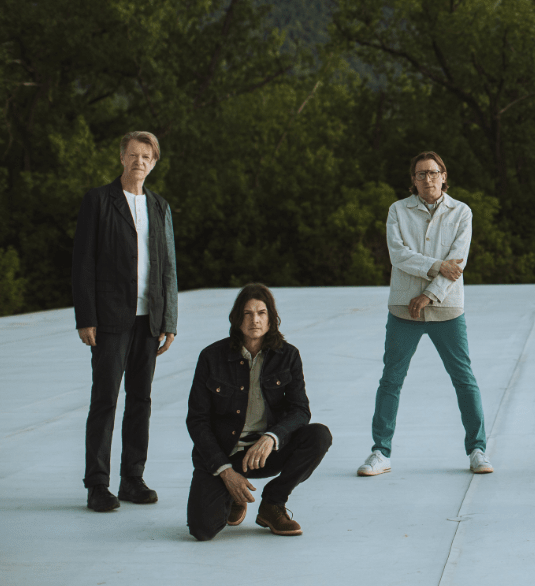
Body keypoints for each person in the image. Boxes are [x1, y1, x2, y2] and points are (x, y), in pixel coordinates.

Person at [357, 151, 492, 477]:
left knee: (464, 379)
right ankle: (380, 452)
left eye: (433, 173)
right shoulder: (398, 210)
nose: (427, 179)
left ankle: (478, 450)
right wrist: (434, 266)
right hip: (404, 307)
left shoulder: (461, 212)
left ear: (444, 176)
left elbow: (457, 261)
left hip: (446, 307)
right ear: (412, 180)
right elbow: (398, 254)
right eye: (421, 174)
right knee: (391, 379)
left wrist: (429, 295)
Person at [72, 131, 177, 512]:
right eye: (133, 155)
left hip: (148, 320)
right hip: (110, 319)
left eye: (146, 156)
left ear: (154, 162)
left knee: (141, 401)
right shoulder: (99, 202)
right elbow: (83, 262)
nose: (139, 162)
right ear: (121, 157)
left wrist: (169, 319)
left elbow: (168, 269)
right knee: (105, 399)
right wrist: (86, 317)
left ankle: (132, 478)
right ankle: (97, 484)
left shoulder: (160, 206)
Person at [185, 284, 332, 540]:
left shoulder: (288, 356)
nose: (255, 320)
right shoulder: (211, 357)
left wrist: (272, 437)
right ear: (236, 318)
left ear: (271, 318)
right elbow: (197, 421)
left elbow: (300, 410)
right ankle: (234, 494)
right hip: (224, 455)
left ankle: (272, 504)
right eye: (247, 313)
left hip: (265, 453)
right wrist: (226, 472)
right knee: (202, 530)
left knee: (318, 435)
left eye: (262, 313)